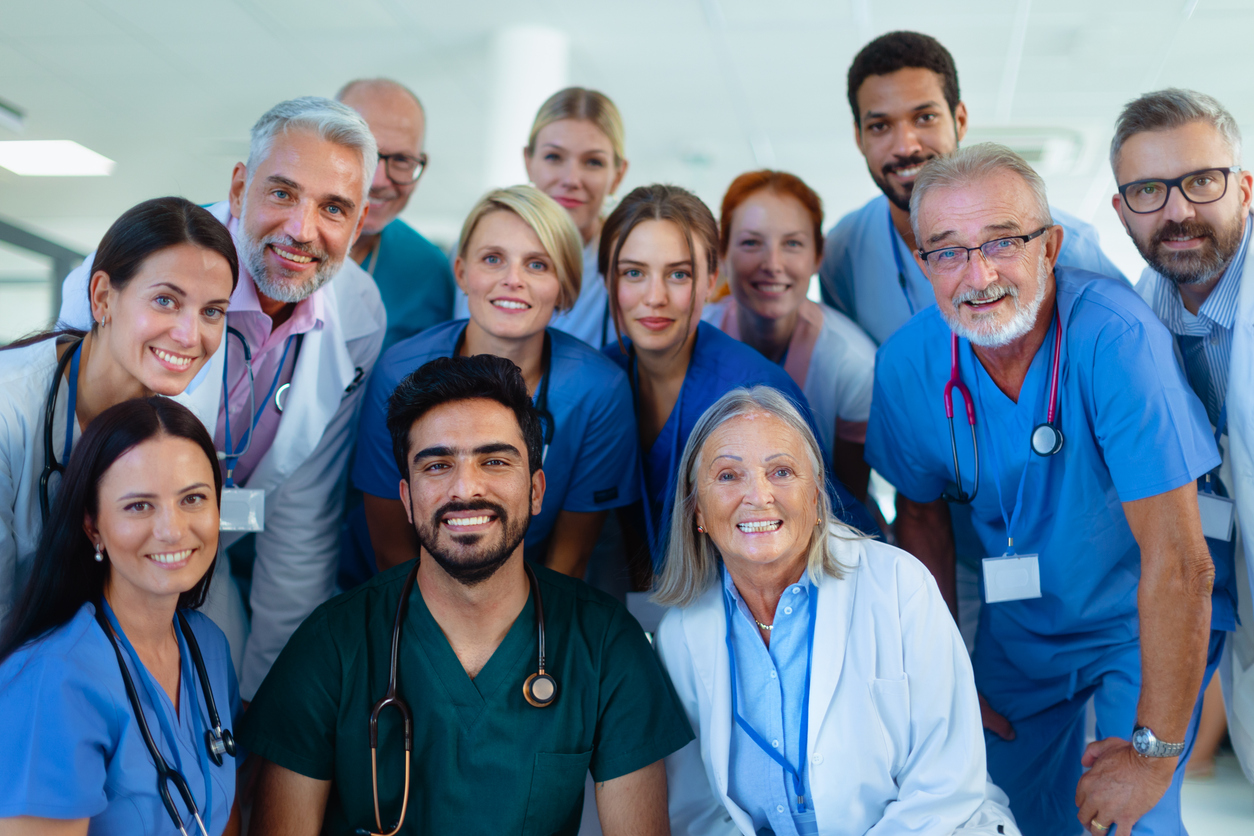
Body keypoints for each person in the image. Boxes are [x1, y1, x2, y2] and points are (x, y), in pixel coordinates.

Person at [865, 143, 1231, 835]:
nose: (978, 274)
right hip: (1021, 632)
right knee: (993, 816)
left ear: (1050, 245)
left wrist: (1151, 759)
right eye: (948, 251)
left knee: (1131, 819)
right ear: (924, 265)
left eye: (1002, 242)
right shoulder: (909, 365)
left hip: (1138, 620)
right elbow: (918, 522)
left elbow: (1181, 563)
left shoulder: (1117, 339)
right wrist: (948, 683)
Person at [240, 354, 693, 835]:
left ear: (536, 490)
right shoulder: (331, 644)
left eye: (494, 461)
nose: (466, 488)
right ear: (407, 500)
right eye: (437, 465)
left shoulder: (603, 643)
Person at [58, 97, 386, 701]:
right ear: (239, 188)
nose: (301, 229)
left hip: (200, 556)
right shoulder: (131, 270)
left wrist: (272, 709)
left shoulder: (360, 315)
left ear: (360, 219)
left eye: (333, 207)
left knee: (228, 706)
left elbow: (302, 520)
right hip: (83, 546)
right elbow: (60, 448)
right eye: (282, 193)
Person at [655, 386, 1018, 836]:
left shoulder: (901, 587)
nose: (759, 496)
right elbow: (700, 812)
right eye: (728, 476)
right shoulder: (680, 636)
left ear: (815, 498)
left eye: (782, 471)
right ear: (697, 511)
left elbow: (944, 787)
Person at [350, 185, 638, 582]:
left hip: (536, 596)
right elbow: (391, 547)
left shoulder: (599, 390)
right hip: (407, 594)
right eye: (493, 259)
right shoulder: (399, 372)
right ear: (462, 273)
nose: (512, 280)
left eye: (537, 265)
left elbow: (569, 558)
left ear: (565, 288)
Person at [600, 184, 877, 588]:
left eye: (679, 274)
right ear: (608, 279)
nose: (654, 297)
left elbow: (825, 532)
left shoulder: (755, 389)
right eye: (634, 273)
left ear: (713, 279)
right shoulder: (601, 379)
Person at [0, 397, 240, 835]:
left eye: (193, 498)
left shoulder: (209, 647)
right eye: (139, 506)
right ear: (93, 527)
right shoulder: (51, 681)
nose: (172, 529)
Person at [1, 196, 237, 628]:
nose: (190, 335)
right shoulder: (8, 406)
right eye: (165, 300)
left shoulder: (171, 423)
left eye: (211, 311)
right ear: (102, 297)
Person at [1110, 88, 1254, 780]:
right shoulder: (1134, 322)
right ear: (1121, 209)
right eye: (1148, 190)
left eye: (1200, 181)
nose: (1177, 211)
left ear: (1245, 187)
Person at [820, 30, 1125, 347]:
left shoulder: (1064, 246)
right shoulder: (843, 251)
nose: (905, 146)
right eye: (880, 126)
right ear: (859, 137)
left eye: (925, 117)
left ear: (960, 119)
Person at [704, 170, 877, 502]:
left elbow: (846, 497)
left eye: (793, 244)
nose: (773, 264)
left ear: (817, 256)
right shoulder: (693, 341)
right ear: (722, 253)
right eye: (751, 242)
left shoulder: (852, 363)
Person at [456, 87, 629, 348]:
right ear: (529, 161)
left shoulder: (627, 273)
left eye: (593, 162)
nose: (571, 179)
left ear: (617, 175)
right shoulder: (471, 252)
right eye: (554, 157)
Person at [338, 78, 457, 351]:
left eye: (402, 160)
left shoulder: (428, 271)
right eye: (364, 154)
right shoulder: (256, 235)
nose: (379, 180)